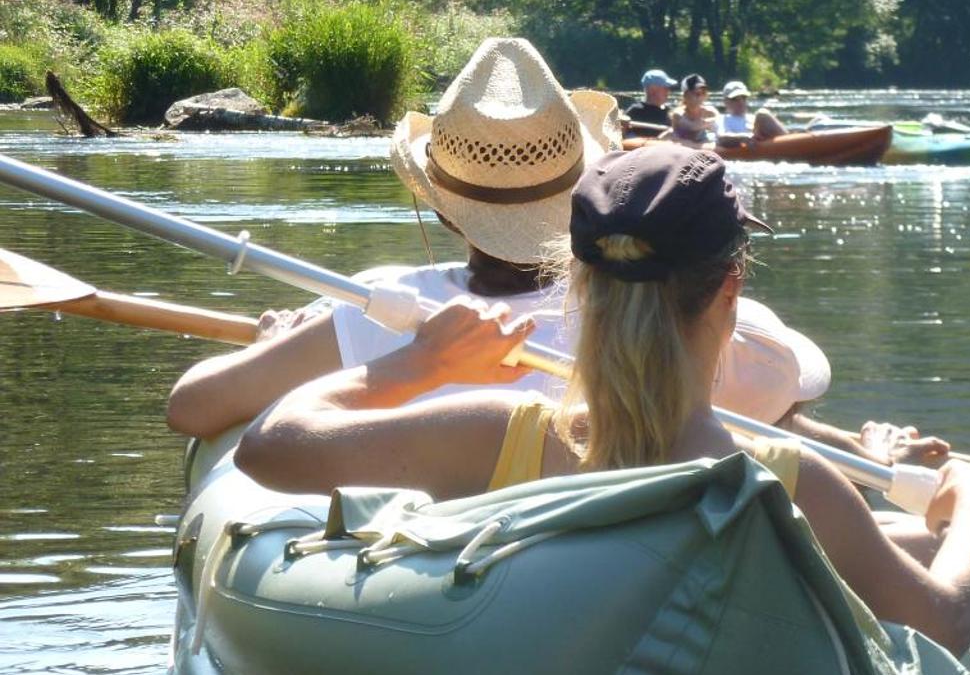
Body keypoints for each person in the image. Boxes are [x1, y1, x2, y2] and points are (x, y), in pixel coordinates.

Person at [235, 143, 970, 655]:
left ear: (579, 286)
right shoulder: (794, 485)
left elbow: (270, 444)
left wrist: (415, 366)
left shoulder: (491, 437)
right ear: (729, 291)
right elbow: (943, 621)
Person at [165, 38, 843, 447]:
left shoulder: (385, 308)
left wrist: (279, 349)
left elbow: (192, 406)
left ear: (446, 209)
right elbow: (792, 388)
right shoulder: (652, 314)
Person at [717, 79, 787, 142]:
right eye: (735, 99)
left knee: (763, 114)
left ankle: (789, 142)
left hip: (760, 144)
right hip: (739, 148)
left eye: (744, 97)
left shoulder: (754, 118)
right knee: (761, 113)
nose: (741, 102)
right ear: (725, 102)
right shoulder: (721, 119)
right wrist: (746, 138)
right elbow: (721, 137)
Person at [664, 73, 714, 145]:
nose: (700, 96)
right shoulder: (678, 114)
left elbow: (717, 121)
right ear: (685, 95)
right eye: (696, 93)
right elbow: (693, 127)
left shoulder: (710, 112)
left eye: (703, 92)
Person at [624, 68, 675, 134]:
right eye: (665, 88)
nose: (668, 91)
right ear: (652, 90)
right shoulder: (636, 112)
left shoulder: (669, 112)